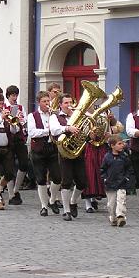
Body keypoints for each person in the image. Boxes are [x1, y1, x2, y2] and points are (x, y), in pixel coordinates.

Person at [50, 93, 87, 221]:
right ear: (60, 104)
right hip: (64, 152)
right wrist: (68, 128)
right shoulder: (55, 116)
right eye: (66, 103)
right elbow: (54, 130)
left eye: (70, 102)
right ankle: (66, 211)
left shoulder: (80, 116)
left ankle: (73, 201)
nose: (69, 105)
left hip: (78, 151)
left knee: (82, 182)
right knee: (66, 181)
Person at [27, 90, 62, 216]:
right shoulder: (33, 116)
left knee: (57, 178)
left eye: (48, 101)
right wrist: (47, 131)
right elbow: (32, 132)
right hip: (39, 149)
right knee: (41, 179)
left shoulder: (54, 115)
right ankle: (44, 206)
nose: (47, 103)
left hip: (52, 148)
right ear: (39, 102)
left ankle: (52, 199)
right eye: (44, 101)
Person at [100, 135, 135, 227]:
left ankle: (121, 216)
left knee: (121, 200)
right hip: (110, 183)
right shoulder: (107, 157)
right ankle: (113, 217)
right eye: (119, 144)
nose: (122, 145)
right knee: (111, 204)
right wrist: (105, 178)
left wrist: (127, 178)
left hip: (121, 182)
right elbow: (103, 169)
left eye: (122, 143)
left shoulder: (124, 157)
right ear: (112, 146)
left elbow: (129, 168)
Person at [4, 85, 30, 205]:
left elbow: (24, 122)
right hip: (8, 139)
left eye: (16, 95)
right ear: (8, 96)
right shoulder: (4, 108)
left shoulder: (20, 107)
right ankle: (10, 194)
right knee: (9, 166)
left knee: (24, 163)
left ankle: (16, 189)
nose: (15, 97)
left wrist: (20, 119)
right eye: (13, 95)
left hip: (19, 138)